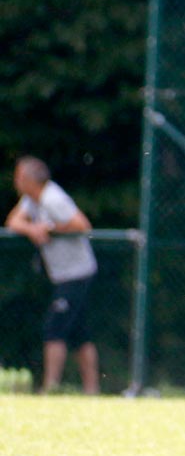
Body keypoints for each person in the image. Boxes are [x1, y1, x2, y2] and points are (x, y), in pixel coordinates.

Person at [5, 156, 100, 394]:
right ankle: (92, 390)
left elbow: (82, 224)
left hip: (76, 274)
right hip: (62, 275)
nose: (15, 181)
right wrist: (32, 229)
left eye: (18, 176)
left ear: (28, 179)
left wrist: (51, 229)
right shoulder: (32, 200)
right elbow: (13, 221)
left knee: (54, 328)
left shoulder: (52, 198)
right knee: (80, 334)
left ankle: (51, 387)